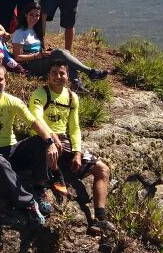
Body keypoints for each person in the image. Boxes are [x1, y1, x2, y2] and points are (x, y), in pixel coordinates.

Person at [0, 64, 61, 225]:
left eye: (0, 79)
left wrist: (49, 141)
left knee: (39, 141)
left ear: (5, 81)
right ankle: (28, 203)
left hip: (12, 150)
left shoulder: (12, 101)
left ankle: (39, 188)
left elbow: (33, 122)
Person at [29, 61, 115, 234]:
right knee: (48, 154)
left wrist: (77, 152)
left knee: (102, 170)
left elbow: (74, 127)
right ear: (48, 75)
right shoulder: (40, 93)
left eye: (62, 73)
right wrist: (51, 135)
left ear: (68, 77)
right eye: (54, 73)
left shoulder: (71, 97)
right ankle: (49, 179)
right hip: (41, 140)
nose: (58, 76)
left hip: (65, 142)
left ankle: (100, 218)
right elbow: (36, 118)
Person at [12, 3, 108, 93]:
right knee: (60, 53)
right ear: (25, 15)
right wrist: (36, 56)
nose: (34, 18)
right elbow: (18, 57)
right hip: (31, 66)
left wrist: (43, 53)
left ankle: (76, 84)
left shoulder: (35, 30)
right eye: (31, 15)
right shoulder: (20, 33)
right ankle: (91, 72)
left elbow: (37, 50)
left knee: (65, 57)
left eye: (37, 15)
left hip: (40, 60)